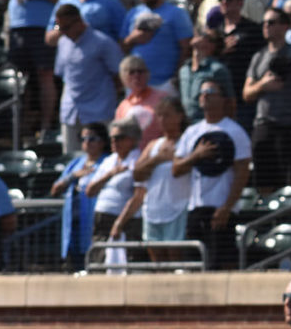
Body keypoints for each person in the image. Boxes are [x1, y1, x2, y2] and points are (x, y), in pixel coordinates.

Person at [174, 79, 253, 269]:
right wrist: (196, 155)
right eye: (202, 92)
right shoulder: (192, 132)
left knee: (221, 264)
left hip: (221, 208)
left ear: (224, 99)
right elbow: (176, 169)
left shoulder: (235, 131)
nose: (205, 95)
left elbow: (242, 172)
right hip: (196, 208)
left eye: (211, 91)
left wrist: (227, 206)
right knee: (194, 265)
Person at [245, 7, 291, 191]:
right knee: (264, 183)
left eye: (271, 22)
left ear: (285, 26)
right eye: (264, 23)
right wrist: (263, 85)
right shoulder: (258, 56)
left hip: (288, 127)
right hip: (263, 126)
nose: (266, 26)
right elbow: (246, 94)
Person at [0, 0, 70, 136]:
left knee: (44, 74)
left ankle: (46, 125)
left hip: (42, 27)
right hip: (17, 29)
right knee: (20, 78)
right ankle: (21, 127)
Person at [53, 4, 123, 154]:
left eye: (66, 27)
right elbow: (62, 74)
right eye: (59, 28)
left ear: (79, 21)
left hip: (99, 111)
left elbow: (119, 75)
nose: (63, 32)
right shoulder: (62, 43)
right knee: (71, 160)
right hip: (71, 112)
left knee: (101, 159)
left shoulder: (103, 42)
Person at [131, 97, 191, 262]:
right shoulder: (153, 145)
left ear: (179, 116)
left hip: (177, 210)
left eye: (167, 115)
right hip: (152, 210)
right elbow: (137, 173)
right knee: (156, 261)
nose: (162, 120)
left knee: (174, 258)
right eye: (160, 116)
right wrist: (157, 159)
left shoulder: (187, 141)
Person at [119, 0, 192, 93]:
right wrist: (133, 38)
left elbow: (186, 49)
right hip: (136, 84)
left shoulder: (176, 14)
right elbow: (122, 47)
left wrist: (176, 79)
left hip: (165, 84)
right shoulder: (132, 13)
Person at [86, 118, 145, 263]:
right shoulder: (108, 161)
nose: (113, 141)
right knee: (99, 261)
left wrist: (119, 223)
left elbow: (138, 196)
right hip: (102, 221)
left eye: (118, 138)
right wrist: (110, 174)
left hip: (126, 222)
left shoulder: (139, 160)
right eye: (111, 138)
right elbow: (90, 191)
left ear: (132, 139)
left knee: (127, 262)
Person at [51, 124, 108, 270]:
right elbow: (55, 190)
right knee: (73, 267)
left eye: (92, 139)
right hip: (73, 226)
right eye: (83, 139)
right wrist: (73, 177)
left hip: (96, 223)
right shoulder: (75, 164)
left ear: (102, 142)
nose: (87, 142)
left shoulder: (107, 162)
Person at [217, 0, 266, 130]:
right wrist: (220, 50)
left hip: (244, 99)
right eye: (221, 0)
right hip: (221, 98)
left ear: (240, 2)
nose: (224, 3)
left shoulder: (253, 30)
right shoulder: (215, 31)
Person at [179, 27, 236, 124]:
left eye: (203, 34)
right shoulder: (184, 70)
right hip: (187, 130)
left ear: (211, 45)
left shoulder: (217, 70)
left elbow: (230, 104)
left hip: (208, 126)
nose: (197, 33)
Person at [115, 54, 167, 151]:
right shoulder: (123, 106)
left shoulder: (162, 98)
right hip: (132, 156)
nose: (136, 76)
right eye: (131, 72)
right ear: (123, 76)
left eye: (140, 71)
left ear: (147, 74)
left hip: (158, 152)